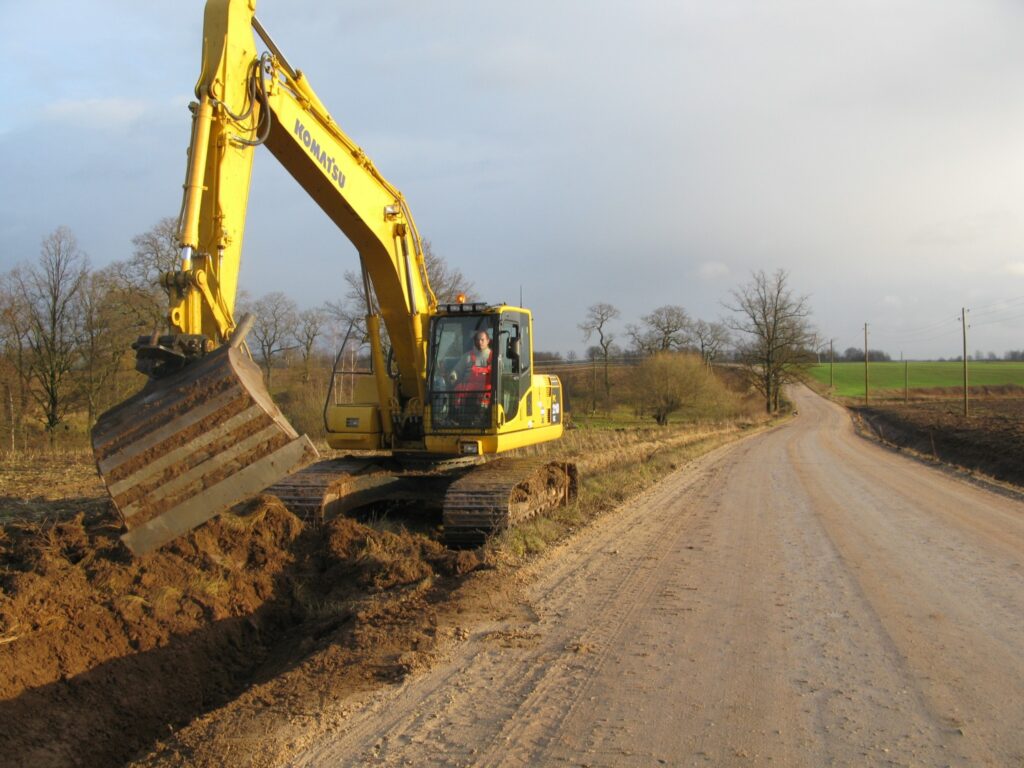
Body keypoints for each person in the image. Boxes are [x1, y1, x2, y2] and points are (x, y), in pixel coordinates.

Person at [450, 330, 493, 415]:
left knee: (488, 392)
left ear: (488, 341)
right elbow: (457, 370)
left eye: (482, 340)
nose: (479, 342)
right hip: (469, 390)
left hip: (486, 390)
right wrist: (453, 375)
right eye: (477, 340)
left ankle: (483, 413)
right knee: (459, 388)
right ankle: (457, 413)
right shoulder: (467, 357)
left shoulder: (494, 357)